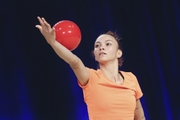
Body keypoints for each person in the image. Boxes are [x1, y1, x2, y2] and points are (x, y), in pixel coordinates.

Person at [35, 16, 146, 120]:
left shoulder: (131, 78)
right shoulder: (90, 77)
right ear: (95, 55)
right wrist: (52, 42)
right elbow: (75, 62)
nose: (101, 47)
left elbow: (139, 114)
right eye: (97, 46)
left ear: (118, 53)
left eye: (108, 44)